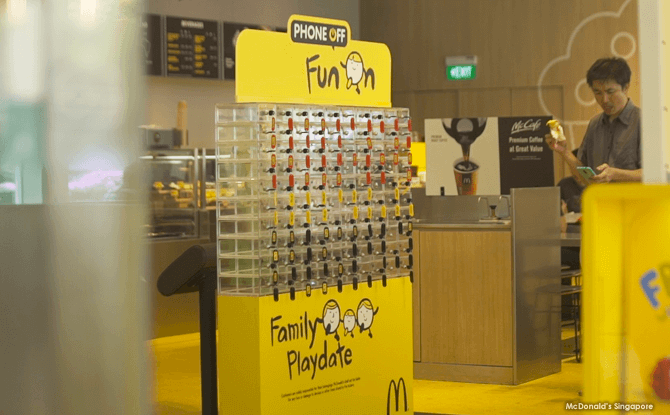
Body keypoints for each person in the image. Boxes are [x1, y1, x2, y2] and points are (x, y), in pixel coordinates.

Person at [546, 57, 642, 192]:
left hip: (635, 207)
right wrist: (565, 152)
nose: (604, 99)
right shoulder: (595, 124)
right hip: (600, 206)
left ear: (626, 87)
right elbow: (585, 177)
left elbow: (655, 173)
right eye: (597, 92)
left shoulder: (642, 121)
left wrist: (615, 174)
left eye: (610, 92)